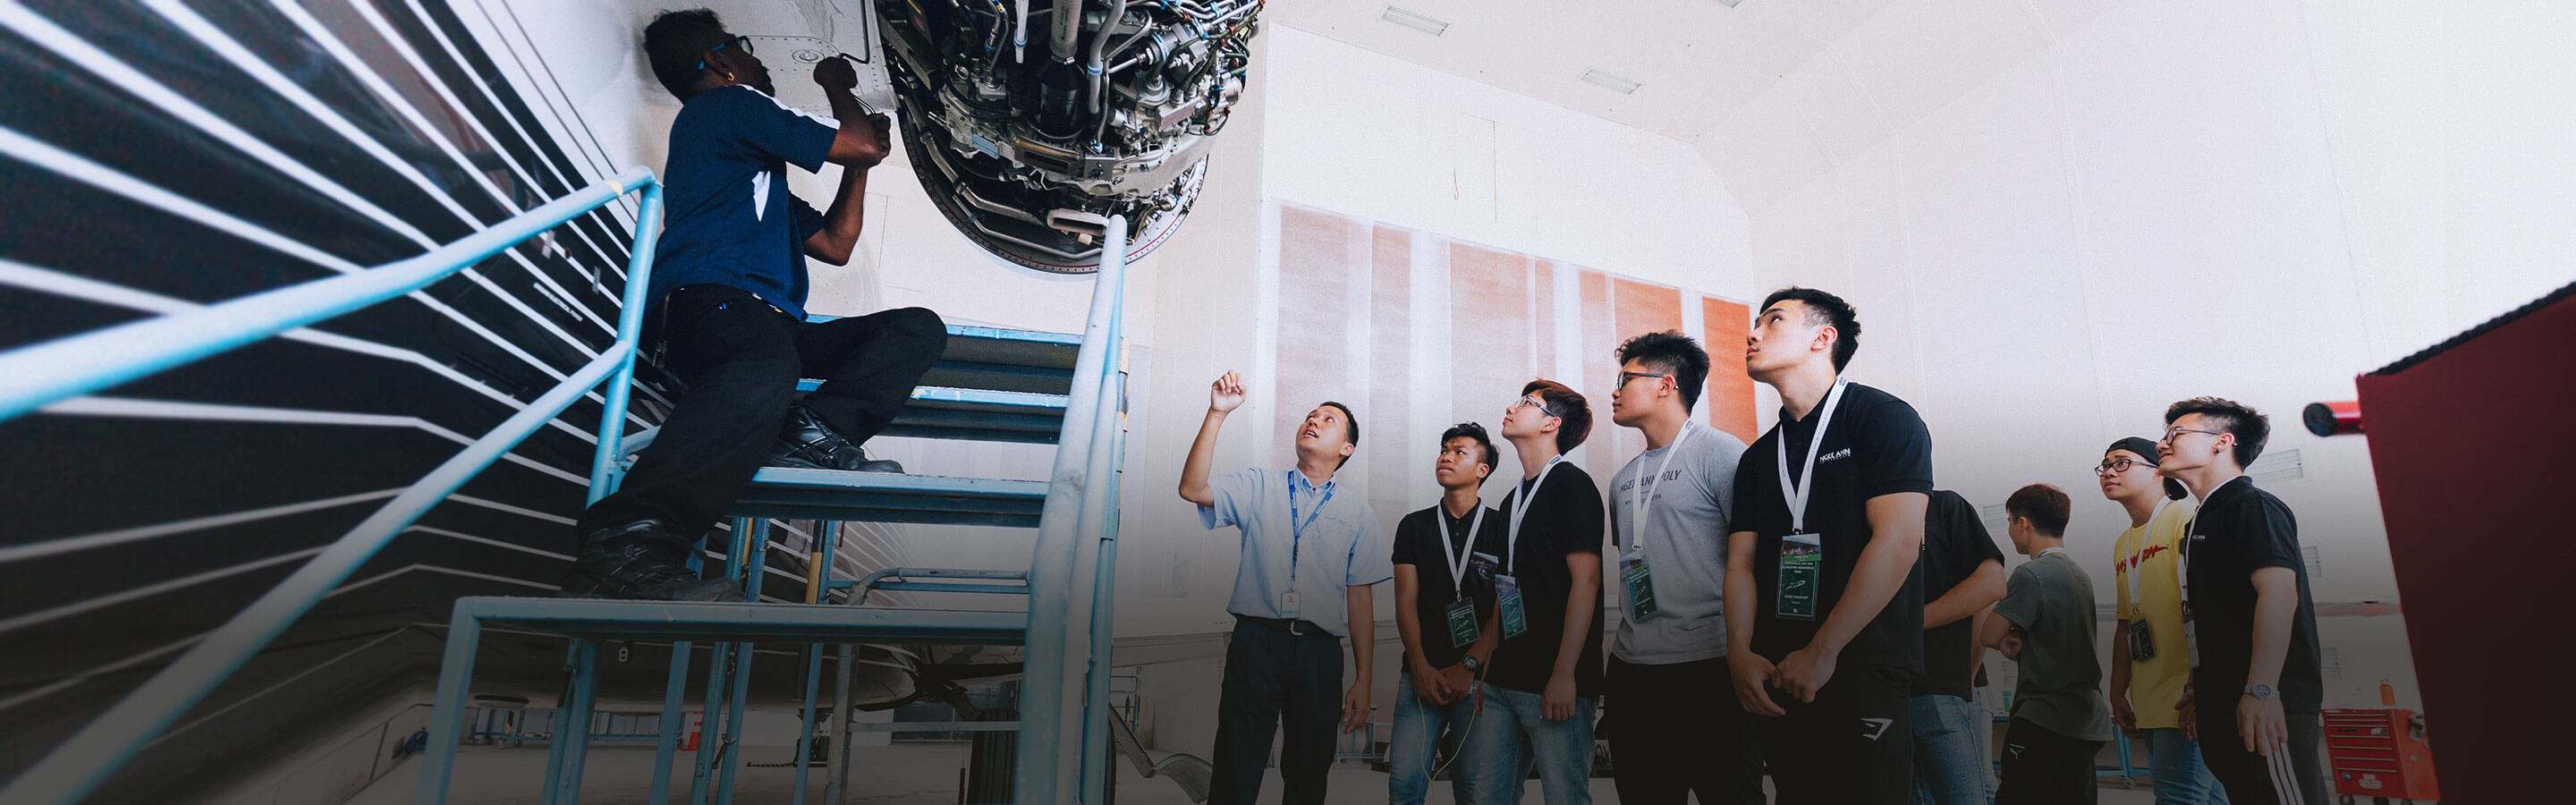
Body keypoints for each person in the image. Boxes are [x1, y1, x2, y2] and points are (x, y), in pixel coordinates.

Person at [564, 9, 946, 601]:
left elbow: (837, 244)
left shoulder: (750, 173)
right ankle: (624, 541)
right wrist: (833, 84)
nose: (756, 58)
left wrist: (861, 169)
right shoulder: (727, 107)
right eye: (741, 47)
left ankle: (807, 432)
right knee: (768, 365)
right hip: (710, 301)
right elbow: (859, 143)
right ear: (717, 63)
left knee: (914, 330)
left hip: (764, 321)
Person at [1724, 286, 1931, 805]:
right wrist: (1739, 652)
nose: (1753, 333)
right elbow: (1741, 565)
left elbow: (1899, 540)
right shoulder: (1757, 458)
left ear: (1823, 337)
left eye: (1773, 321)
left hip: (1860, 663)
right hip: (1776, 670)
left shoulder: (1883, 418)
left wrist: (1824, 649)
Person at [1178, 371, 1387, 805]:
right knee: (1238, 761)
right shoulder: (1258, 486)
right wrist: (1217, 413)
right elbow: (1192, 489)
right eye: (1311, 415)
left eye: (1328, 420)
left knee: (1309, 772)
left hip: (1319, 653)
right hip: (1257, 642)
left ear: (1346, 449)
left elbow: (1360, 600)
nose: (1313, 420)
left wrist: (1364, 679)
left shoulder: (1358, 514)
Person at [1599, 332, 1762, 805]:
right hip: (1633, 669)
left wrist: (1745, 650)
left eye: (1625, 378)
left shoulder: (1722, 454)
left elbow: (1752, 560)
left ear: (1667, 385)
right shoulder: (1622, 480)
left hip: (1709, 665)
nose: (1615, 389)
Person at [2158, 398, 2326, 805]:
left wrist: (2263, 691)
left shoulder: (2253, 507)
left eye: (2175, 434)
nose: (2161, 444)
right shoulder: (2200, 519)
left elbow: (2278, 595)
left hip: (2268, 705)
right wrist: (2199, 687)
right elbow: (2208, 617)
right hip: (2224, 704)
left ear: (2222, 442)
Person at [1459, 380, 1605, 805]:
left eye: (1526, 403)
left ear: (1551, 424)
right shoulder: (1511, 500)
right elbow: (1509, 590)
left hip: (1554, 683)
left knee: (1565, 795)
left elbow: (1587, 581)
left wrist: (1565, 674)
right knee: (1490, 796)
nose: (1510, 407)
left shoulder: (1573, 486)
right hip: (1504, 679)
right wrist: (1488, 668)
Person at [2099, 437, 2229, 804]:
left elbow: (2208, 611)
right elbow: (2126, 623)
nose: (2108, 471)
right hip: (2150, 701)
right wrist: (2117, 689)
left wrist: (2198, 686)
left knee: (2179, 797)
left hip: (2187, 698)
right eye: (2105, 465)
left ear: (2157, 470)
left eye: (2121, 462)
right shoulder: (2123, 543)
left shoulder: (2186, 519)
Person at [1387, 423, 1505, 805]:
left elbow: (1506, 605)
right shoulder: (1414, 526)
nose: (1446, 456)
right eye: (1444, 449)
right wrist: (1420, 666)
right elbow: (1405, 600)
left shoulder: (1501, 527)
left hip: (1480, 680)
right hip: (1421, 676)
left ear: (1482, 470)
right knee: (1404, 784)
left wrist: (1469, 664)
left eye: (1459, 451)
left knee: (1472, 789)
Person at [1982, 484, 2114, 805]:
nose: (2011, 531)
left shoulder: (2031, 574)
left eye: (2010, 522)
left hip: (2044, 719)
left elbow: (1988, 635)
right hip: (2086, 721)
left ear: (2023, 523)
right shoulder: (2079, 574)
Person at [1913, 490, 2006, 805]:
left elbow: (1987, 591)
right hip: (1883, 686)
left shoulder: (1944, 507)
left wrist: (1970, 670)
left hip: (1943, 685)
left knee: (1972, 789)